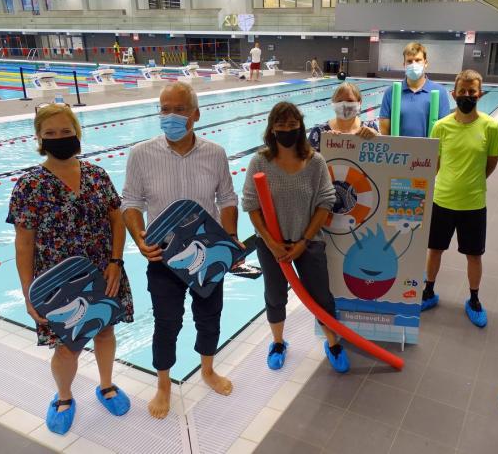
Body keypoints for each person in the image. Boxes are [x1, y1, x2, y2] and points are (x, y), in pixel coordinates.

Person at [7, 103, 133, 435]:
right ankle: (64, 397)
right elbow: (23, 243)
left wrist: (116, 262)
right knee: (67, 345)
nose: (59, 138)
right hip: (57, 282)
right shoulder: (29, 186)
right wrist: (28, 291)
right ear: (39, 138)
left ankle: (106, 386)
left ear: (77, 133)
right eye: (50, 133)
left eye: (66, 132)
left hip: (102, 272)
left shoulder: (97, 175)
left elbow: (116, 219)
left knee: (105, 331)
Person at [121, 82, 239, 419]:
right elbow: (131, 201)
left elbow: (227, 198)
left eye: (179, 109)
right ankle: (163, 383)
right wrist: (139, 238)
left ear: (196, 114)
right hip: (163, 256)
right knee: (167, 322)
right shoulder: (141, 154)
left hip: (209, 252)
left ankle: (207, 369)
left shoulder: (215, 153)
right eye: (164, 108)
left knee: (209, 317)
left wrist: (230, 237)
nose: (170, 116)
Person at [242, 102, 350, 373]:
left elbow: (326, 202)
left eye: (292, 125)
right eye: (281, 125)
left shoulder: (315, 162)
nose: (287, 130)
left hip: (309, 243)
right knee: (275, 296)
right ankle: (278, 343)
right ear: (272, 128)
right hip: (271, 245)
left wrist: (303, 241)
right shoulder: (260, 161)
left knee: (321, 297)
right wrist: (270, 242)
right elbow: (251, 206)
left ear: (300, 126)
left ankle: (333, 342)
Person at [422, 69, 498, 322]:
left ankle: (474, 298)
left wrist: (471, 182)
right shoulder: (440, 126)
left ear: (479, 93)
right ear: (453, 94)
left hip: (474, 203)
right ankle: (428, 291)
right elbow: (434, 164)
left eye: (472, 91)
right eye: (462, 91)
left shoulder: (491, 127)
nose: (467, 95)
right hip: (442, 200)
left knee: (474, 255)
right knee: (434, 250)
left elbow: (491, 164)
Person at [378, 42, 450, 138]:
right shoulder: (391, 92)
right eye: (409, 61)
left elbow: (444, 130)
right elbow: (384, 130)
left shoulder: (440, 92)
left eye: (418, 60)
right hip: (399, 151)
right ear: (404, 64)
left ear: (426, 63)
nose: (413, 64)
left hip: (427, 152)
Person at [308, 82, 379, 152]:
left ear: (359, 103)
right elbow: (307, 162)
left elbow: (382, 158)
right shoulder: (319, 132)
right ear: (333, 103)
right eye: (339, 101)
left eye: (350, 101)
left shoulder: (370, 128)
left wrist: (377, 137)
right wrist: (326, 146)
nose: (344, 105)